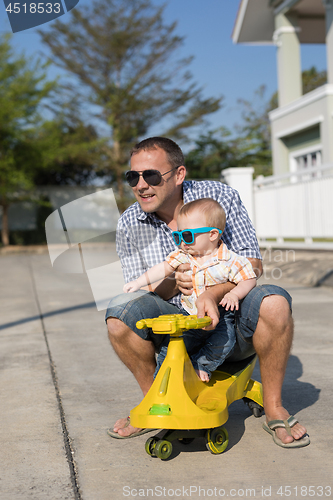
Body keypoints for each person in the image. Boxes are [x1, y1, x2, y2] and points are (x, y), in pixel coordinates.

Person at [106, 136, 309, 448]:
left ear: (179, 174)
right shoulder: (130, 221)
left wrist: (211, 293)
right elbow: (140, 291)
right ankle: (156, 406)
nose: (141, 185)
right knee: (120, 313)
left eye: (151, 175)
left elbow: (252, 264)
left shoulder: (217, 196)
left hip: (230, 321)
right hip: (178, 326)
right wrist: (175, 281)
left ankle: (273, 406)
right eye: (133, 176)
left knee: (275, 302)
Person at [123, 198, 257, 382]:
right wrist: (138, 282)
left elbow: (249, 279)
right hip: (189, 315)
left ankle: (200, 364)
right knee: (171, 347)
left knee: (224, 343)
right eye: (177, 236)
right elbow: (162, 268)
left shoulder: (230, 260)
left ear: (212, 235)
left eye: (187, 236)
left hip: (220, 317)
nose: (182, 243)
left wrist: (234, 293)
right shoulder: (183, 255)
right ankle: (162, 378)